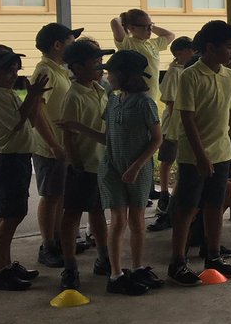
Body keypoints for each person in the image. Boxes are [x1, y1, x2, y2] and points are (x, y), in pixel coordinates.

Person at [62, 50, 163, 295]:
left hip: (137, 169)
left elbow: (156, 139)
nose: (106, 75)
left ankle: (138, 268)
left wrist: (137, 166)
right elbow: (108, 138)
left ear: (126, 75)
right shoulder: (113, 101)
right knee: (118, 220)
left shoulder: (145, 103)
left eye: (111, 72)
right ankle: (116, 274)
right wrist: (79, 128)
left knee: (137, 220)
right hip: (111, 168)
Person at [167, 20, 231, 286]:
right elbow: (186, 118)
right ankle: (177, 262)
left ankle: (213, 255)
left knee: (214, 205)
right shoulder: (190, 76)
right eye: (229, 48)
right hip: (194, 156)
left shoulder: (229, 76)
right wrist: (200, 156)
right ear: (210, 48)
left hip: (222, 153)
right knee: (187, 208)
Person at [0, 44, 50, 291]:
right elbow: (17, 124)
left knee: (9, 214)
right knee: (11, 216)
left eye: (15, 67)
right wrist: (32, 95)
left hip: (15, 159)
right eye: (5, 69)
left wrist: (34, 96)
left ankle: (4, 264)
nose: (13, 73)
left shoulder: (3, 91)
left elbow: (27, 118)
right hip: (5, 160)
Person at [56, 39, 114, 293]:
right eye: (95, 63)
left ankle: (104, 257)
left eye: (101, 63)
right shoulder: (74, 96)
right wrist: (75, 163)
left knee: (98, 212)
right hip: (82, 165)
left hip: (100, 163)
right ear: (78, 68)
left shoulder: (99, 90)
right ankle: (69, 266)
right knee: (72, 215)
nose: (100, 68)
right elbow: (67, 133)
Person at [31, 22, 78, 267]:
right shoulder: (45, 71)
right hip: (50, 147)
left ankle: (59, 238)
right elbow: (36, 110)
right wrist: (52, 144)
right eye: (70, 42)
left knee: (60, 195)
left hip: (63, 146)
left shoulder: (59, 69)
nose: (73, 47)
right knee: (50, 196)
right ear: (58, 45)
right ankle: (47, 245)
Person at [148, 36, 197, 231]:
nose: (193, 53)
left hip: (186, 125)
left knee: (182, 161)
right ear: (179, 53)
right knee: (167, 159)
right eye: (190, 50)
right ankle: (165, 194)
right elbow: (169, 100)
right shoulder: (174, 72)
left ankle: (174, 196)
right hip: (173, 125)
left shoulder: (191, 71)